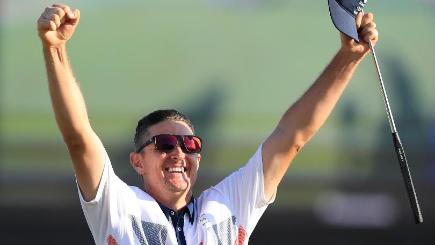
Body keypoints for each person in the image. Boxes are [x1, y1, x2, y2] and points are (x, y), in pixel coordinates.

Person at [37, 3, 378, 245]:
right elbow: (79, 137)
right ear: (137, 161)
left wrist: (348, 57)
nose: (178, 153)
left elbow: (292, 136)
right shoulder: (117, 206)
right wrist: (55, 50)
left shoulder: (228, 204)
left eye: (190, 145)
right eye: (165, 144)